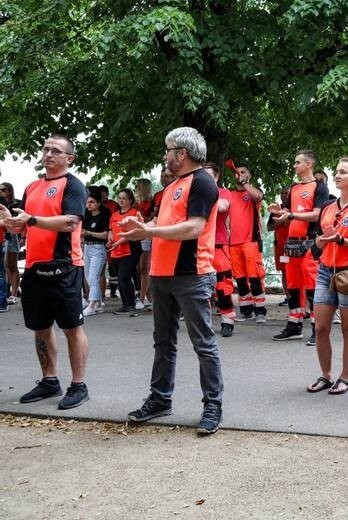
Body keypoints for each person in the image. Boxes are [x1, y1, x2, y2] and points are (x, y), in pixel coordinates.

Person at [125, 126, 223, 435]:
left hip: (192, 274)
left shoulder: (204, 183)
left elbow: (194, 228)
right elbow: (164, 222)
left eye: (168, 151)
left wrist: (149, 232)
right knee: (163, 342)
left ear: (181, 154)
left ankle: (213, 405)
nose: (165, 156)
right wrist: (141, 225)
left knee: (203, 343)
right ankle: (160, 399)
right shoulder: (172, 187)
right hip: (161, 274)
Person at [0, 134, 90, 409]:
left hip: (64, 267)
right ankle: (49, 381)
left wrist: (33, 219)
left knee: (71, 327)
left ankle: (78, 385)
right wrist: (9, 222)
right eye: (45, 149)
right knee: (40, 327)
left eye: (56, 150)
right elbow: (25, 227)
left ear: (69, 158)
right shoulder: (33, 187)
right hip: (35, 267)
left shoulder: (73, 186)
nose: (48, 154)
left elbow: (70, 222)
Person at [305, 157, 348, 395]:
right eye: (336, 171)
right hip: (325, 272)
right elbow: (316, 240)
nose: (337, 175)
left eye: (343, 172)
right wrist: (322, 242)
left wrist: (341, 239)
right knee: (321, 327)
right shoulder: (327, 207)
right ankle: (326, 375)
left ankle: (345, 377)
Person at [270, 150, 329, 344]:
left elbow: (316, 214)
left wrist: (292, 216)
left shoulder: (319, 187)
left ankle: (316, 328)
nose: (294, 166)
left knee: (312, 287)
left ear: (308, 164)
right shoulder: (294, 188)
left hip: (309, 241)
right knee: (294, 286)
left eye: (297, 162)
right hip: (292, 241)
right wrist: (279, 212)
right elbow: (287, 211)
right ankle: (294, 325)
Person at [227, 165, 268, 323]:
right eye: (237, 172)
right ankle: (246, 311)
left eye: (243, 171)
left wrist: (245, 183)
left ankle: (260, 312)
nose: (239, 174)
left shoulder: (252, 192)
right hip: (233, 243)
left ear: (249, 175)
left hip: (251, 241)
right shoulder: (229, 194)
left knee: (255, 276)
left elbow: (258, 196)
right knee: (240, 278)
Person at [203, 163, 237, 337]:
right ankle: (204, 322)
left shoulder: (223, 192)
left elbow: (223, 206)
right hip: (200, 247)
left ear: (216, 178)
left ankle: (228, 320)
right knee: (201, 287)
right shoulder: (196, 193)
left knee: (223, 285)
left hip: (218, 245)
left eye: (208, 176)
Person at [107, 189, 143, 315]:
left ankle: (131, 304)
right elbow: (111, 230)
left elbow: (132, 233)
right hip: (116, 251)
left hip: (131, 251)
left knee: (124, 277)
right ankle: (125, 304)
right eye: (119, 197)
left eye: (124, 198)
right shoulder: (115, 215)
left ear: (130, 200)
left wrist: (118, 242)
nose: (121, 200)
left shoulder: (134, 213)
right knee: (120, 278)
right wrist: (110, 240)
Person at [81, 189, 110, 316]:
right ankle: (97, 302)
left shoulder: (103, 215)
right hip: (87, 247)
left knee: (94, 276)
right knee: (88, 276)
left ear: (99, 203)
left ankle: (92, 304)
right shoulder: (86, 216)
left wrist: (89, 233)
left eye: (92, 202)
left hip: (98, 248)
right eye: (87, 202)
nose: (89, 205)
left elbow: (105, 235)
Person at [267, 186, 291, 306]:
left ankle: (299, 297)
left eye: (286, 193)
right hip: (281, 247)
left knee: (295, 272)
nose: (284, 195)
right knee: (284, 272)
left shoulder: (294, 208)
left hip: (295, 246)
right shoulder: (276, 209)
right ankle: (288, 297)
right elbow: (269, 227)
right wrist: (281, 221)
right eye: (282, 193)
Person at [135, 178, 154, 309]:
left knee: (144, 268)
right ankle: (149, 297)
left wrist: (142, 218)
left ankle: (141, 299)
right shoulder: (136, 203)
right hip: (137, 235)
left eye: (137, 186)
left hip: (146, 235)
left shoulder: (150, 202)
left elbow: (151, 219)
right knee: (138, 268)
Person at [1, 182, 21, 305]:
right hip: (2, 236)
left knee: (12, 265)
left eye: (3, 189)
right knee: (4, 266)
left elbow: (20, 222)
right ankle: (7, 292)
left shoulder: (16, 204)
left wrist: (22, 237)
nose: (1, 192)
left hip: (13, 237)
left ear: (9, 191)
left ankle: (14, 294)